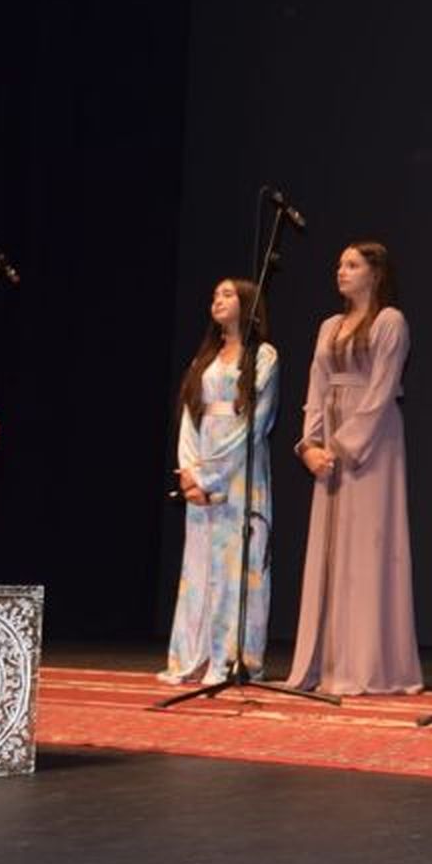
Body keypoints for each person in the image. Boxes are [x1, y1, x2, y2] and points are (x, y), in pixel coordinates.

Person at [288, 242, 422, 695]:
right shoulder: (329, 326)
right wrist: (310, 445)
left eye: (351, 264)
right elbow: (316, 387)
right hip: (331, 443)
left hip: (373, 442)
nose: (341, 272)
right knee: (330, 549)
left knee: (367, 548)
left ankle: (366, 663)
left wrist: (343, 447)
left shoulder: (389, 323)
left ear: (375, 273)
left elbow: (382, 392)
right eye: (339, 264)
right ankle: (323, 661)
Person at [160, 278, 277, 684]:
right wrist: (189, 472)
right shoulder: (204, 359)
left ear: (247, 303)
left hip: (238, 474)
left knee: (235, 565)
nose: (218, 300)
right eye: (214, 295)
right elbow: (191, 419)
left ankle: (229, 657)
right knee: (199, 566)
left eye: (227, 294)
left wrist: (210, 473)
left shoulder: (263, 356)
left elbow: (255, 424)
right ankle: (191, 656)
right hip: (202, 478)